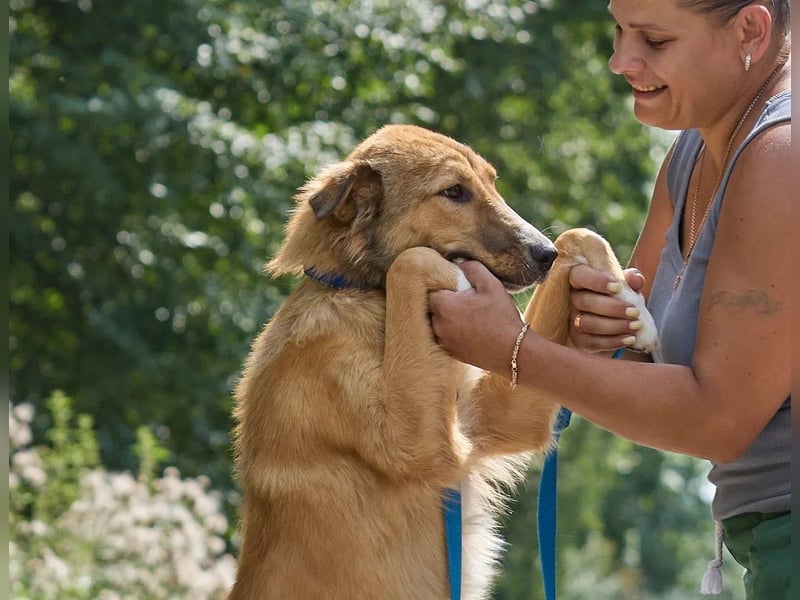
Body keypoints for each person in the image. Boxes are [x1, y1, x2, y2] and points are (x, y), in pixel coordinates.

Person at [428, 1, 791, 598]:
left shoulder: (784, 155)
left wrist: (509, 348)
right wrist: (607, 332)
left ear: (750, 29)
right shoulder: (691, 154)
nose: (621, 59)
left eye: (653, 39)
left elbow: (718, 420)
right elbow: (646, 375)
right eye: (619, 29)